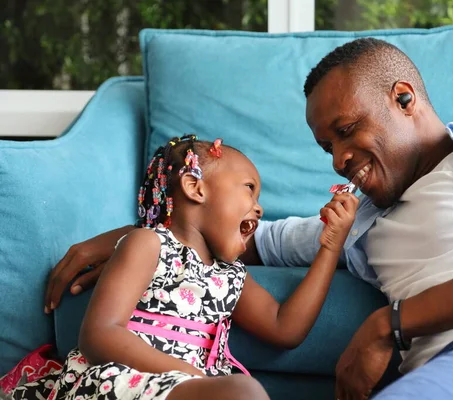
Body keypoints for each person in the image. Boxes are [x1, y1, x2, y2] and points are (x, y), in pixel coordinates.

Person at [44, 38, 453, 400]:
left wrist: (392, 324)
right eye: (325, 146)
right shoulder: (360, 224)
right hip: (440, 376)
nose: (337, 159)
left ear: (403, 99)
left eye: (346, 131)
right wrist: (131, 238)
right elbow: (235, 234)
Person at [17, 135, 358, 400]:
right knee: (244, 391)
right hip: (124, 382)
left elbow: (287, 329)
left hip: (187, 389)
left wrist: (330, 245)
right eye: (249, 190)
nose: (258, 208)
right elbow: (99, 335)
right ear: (195, 187)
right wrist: (194, 375)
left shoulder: (231, 275)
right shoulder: (148, 244)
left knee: (242, 391)